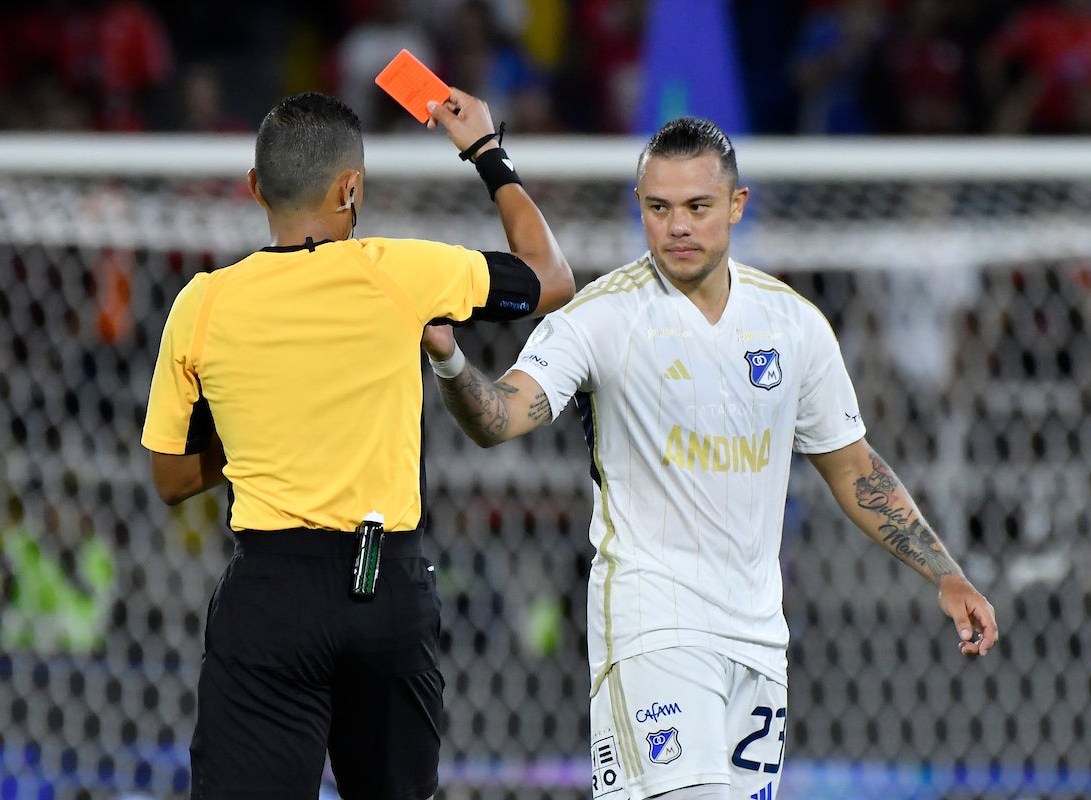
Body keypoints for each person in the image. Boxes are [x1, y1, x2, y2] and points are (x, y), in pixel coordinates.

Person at [420, 116, 999, 800]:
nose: (678, 227)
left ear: (736, 205)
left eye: (697, 207)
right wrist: (452, 362)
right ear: (640, 208)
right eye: (659, 209)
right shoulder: (601, 318)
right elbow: (501, 416)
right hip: (651, 628)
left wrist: (945, 572)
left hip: (757, 640)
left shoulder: (792, 325)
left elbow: (853, 467)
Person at [140, 88, 573, 799]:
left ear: (255, 188)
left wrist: (268, 430)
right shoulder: (402, 272)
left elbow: (171, 477)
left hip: (270, 595)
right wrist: (486, 152)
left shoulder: (203, 303)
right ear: (352, 190)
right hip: (386, 585)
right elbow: (550, 275)